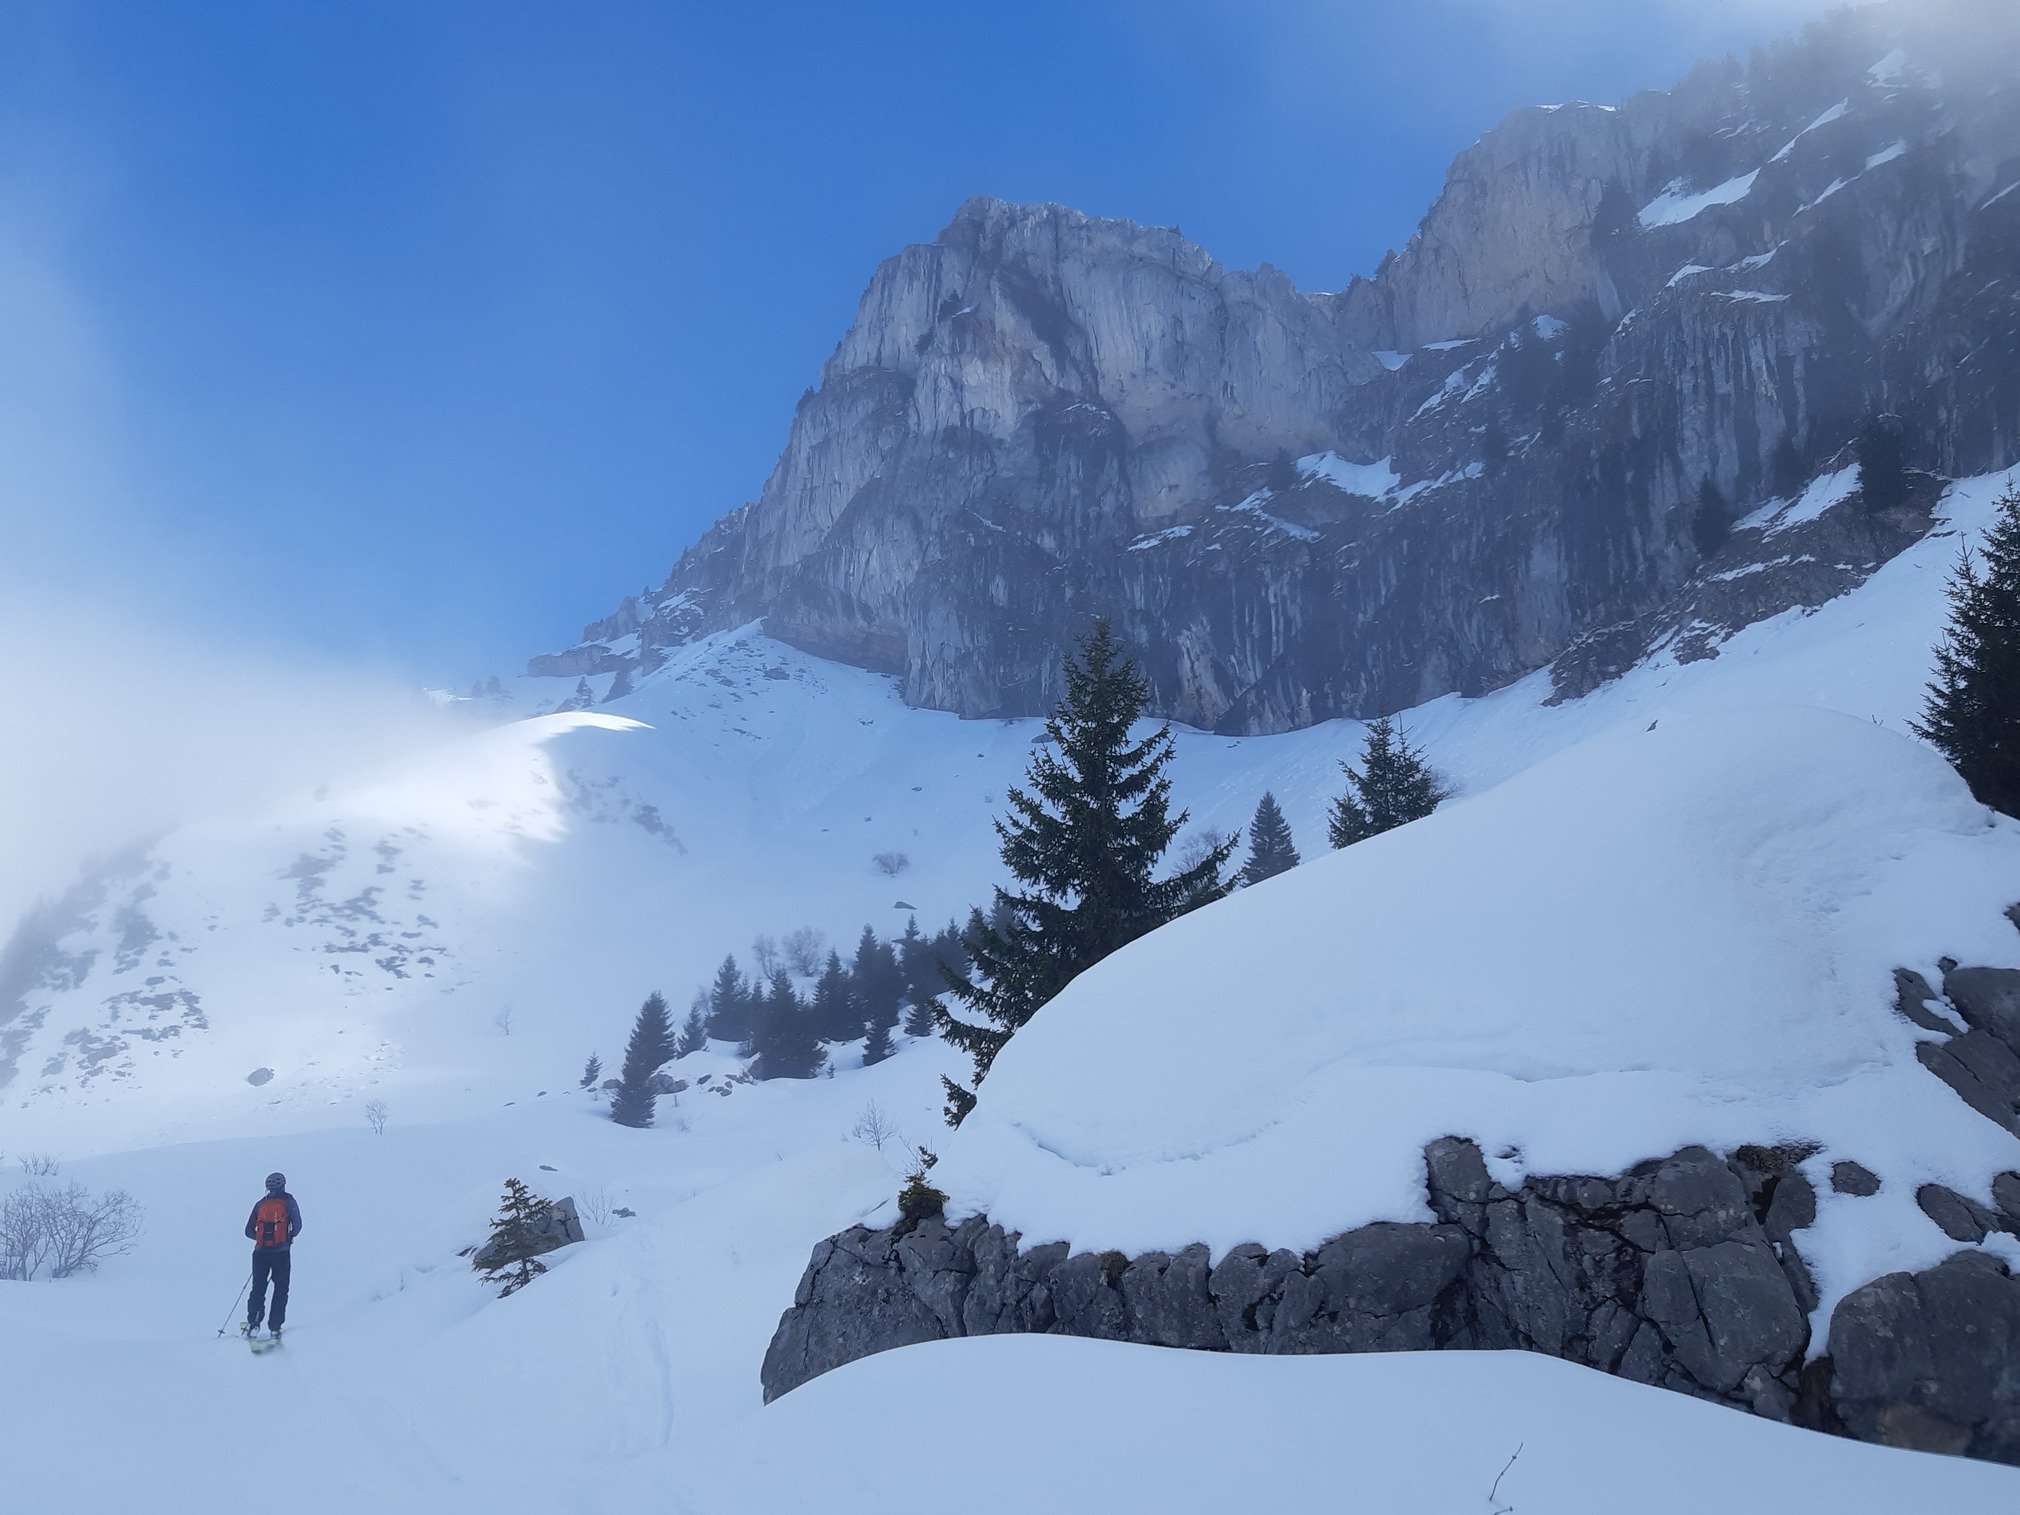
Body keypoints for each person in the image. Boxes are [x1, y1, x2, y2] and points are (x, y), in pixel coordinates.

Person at [243, 1171, 302, 1340]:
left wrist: (262, 1239)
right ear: (283, 1185)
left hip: (260, 1253)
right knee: (281, 1289)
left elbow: (248, 1231)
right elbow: (297, 1227)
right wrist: (285, 1239)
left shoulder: (260, 1204)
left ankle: (254, 1324)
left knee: (258, 1288)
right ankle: (275, 1327)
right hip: (281, 1253)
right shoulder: (289, 1202)